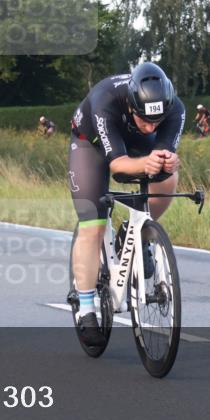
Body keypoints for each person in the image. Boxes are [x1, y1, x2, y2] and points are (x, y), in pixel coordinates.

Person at [68, 62, 185, 345]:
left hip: (133, 145)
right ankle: (86, 309)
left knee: (168, 177)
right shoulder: (105, 100)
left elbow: (161, 158)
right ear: (131, 105)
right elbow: (119, 168)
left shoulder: (176, 109)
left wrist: (167, 161)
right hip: (91, 144)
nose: (150, 126)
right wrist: (145, 162)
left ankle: (137, 235)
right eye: (143, 119)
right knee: (92, 224)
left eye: (156, 121)